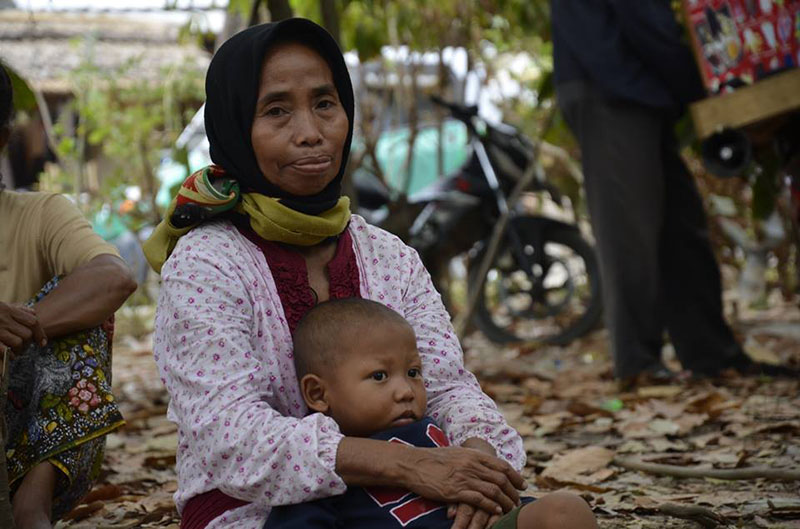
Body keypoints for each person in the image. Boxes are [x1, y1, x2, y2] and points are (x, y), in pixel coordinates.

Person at [146, 18, 593, 529]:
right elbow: (232, 437)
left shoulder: (387, 255)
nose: (310, 133)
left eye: (325, 103)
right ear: (234, 126)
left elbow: (447, 387)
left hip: (414, 500)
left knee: (564, 515)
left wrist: (477, 468)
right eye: (276, 111)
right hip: (261, 510)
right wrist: (409, 465)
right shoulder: (207, 264)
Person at [550, 1, 795, 386]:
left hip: (637, 86)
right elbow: (648, 22)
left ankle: (712, 355)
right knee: (630, 231)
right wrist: (710, 87)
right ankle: (638, 365)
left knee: (681, 229)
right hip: (610, 83)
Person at [264, 297, 598, 529]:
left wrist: (489, 493)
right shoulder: (323, 467)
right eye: (379, 376)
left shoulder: (435, 430)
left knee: (565, 510)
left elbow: (503, 498)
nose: (406, 390)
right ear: (318, 394)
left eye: (413, 373)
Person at [0, 65, 138, 528]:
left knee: (82, 303)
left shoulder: (40, 214)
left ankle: (31, 507)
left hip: (17, 442)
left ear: (1, 139)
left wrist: (19, 323)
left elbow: (113, 279)